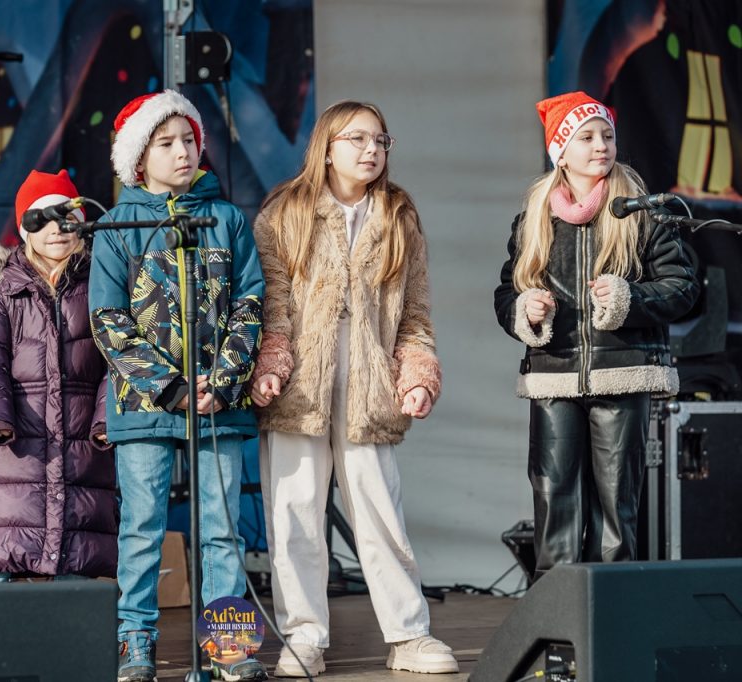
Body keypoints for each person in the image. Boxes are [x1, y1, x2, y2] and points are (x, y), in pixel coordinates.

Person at [250, 100, 458, 677]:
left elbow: (414, 315)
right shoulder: (285, 212)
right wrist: (271, 363)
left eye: (380, 140)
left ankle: (409, 635)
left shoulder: (398, 215)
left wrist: (416, 374)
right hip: (298, 386)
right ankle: (304, 637)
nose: (372, 150)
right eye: (358, 139)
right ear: (326, 147)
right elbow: (271, 306)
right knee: (294, 512)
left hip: (369, 385)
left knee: (380, 510)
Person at [89, 89, 266, 682]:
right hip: (146, 406)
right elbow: (108, 320)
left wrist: (223, 380)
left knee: (222, 529)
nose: (182, 151)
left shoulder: (227, 219)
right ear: (139, 158)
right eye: (166, 143)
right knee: (142, 528)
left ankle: (228, 647)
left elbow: (250, 304)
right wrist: (172, 388)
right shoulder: (118, 227)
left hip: (219, 402)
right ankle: (135, 643)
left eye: (189, 139)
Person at [494, 91, 698, 580]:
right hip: (555, 378)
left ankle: (611, 610)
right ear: (560, 152)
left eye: (607, 135)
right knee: (554, 499)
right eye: (586, 137)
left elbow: (682, 288)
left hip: (621, 375)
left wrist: (629, 298)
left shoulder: (641, 214)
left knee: (615, 509)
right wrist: (526, 309)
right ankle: (556, 612)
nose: (601, 145)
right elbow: (506, 293)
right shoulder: (534, 220)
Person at [0, 169, 117, 582]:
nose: (56, 230)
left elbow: (117, 362)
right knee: (7, 538)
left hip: (83, 443)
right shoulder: (3, 294)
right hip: (18, 446)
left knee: (80, 548)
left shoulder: (102, 289)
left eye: (67, 218)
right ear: (24, 229)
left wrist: (105, 420)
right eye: (41, 219)